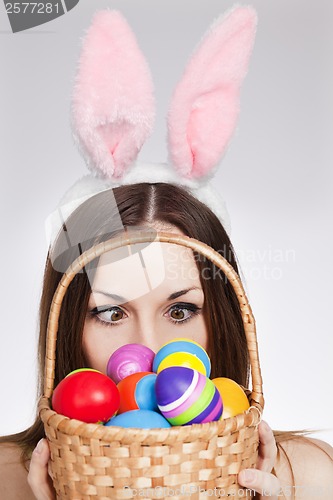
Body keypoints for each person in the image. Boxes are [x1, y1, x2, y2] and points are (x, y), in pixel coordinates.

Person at [1, 7, 332, 500]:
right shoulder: (7, 478)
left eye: (181, 310)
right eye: (111, 312)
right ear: (68, 319)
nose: (152, 349)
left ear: (220, 317)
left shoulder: (309, 476)